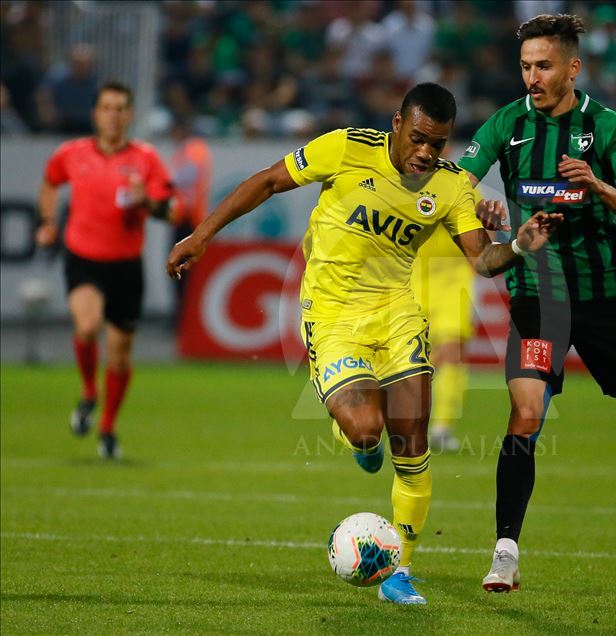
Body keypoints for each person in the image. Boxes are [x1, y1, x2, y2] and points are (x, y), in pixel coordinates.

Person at [166, 83, 561, 605]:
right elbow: (267, 182)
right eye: (418, 138)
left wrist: (517, 245)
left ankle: (399, 571)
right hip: (333, 316)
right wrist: (201, 235)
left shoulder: (450, 187)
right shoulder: (347, 147)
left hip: (398, 314)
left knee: (412, 442)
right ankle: (360, 443)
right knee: (366, 428)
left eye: (438, 143)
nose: (426, 152)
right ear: (397, 124)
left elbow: (481, 260)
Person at [456, 14, 616, 593]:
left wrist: (597, 186)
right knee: (525, 414)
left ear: (573, 67)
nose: (532, 78)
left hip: (602, 299)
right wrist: (480, 209)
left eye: (544, 66)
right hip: (536, 297)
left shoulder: (607, 127)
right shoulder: (506, 124)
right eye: (525, 66)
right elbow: (456, 188)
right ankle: (505, 552)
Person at [36, 81, 175, 459]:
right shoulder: (71, 154)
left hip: (126, 266)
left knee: (119, 356)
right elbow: (50, 182)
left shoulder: (146, 159)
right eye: (107, 108)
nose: (113, 115)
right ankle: (88, 391)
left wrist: (146, 201)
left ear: (130, 116)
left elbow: (169, 210)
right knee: (87, 326)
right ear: (95, 114)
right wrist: (47, 221)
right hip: (83, 259)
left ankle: (108, 427)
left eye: (120, 108)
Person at [411, 220, 475, 452]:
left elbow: (484, 236)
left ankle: (441, 428)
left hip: (455, 279)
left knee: (452, 351)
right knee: (407, 358)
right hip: (412, 277)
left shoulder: (469, 197)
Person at [168, 115, 212, 320]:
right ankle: (182, 314)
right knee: (182, 271)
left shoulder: (192, 151)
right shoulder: (189, 151)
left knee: (182, 269)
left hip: (188, 220)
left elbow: (185, 183)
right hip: (186, 218)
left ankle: (183, 316)